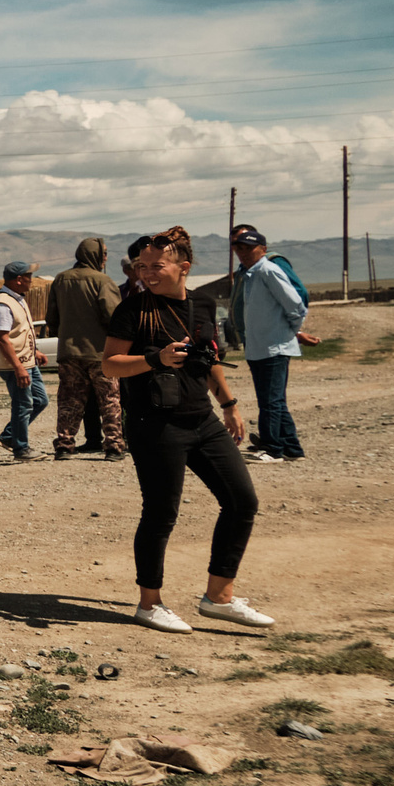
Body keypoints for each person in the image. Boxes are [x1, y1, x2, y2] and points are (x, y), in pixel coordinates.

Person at [103, 226, 271, 633]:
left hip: (202, 419)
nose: (146, 273)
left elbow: (208, 357)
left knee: (241, 501)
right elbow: (109, 364)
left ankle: (219, 596)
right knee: (161, 514)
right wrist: (155, 358)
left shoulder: (203, 304)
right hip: (154, 424)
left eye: (156, 266)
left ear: (183, 267)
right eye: (141, 267)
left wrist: (228, 404)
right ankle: (150, 604)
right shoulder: (133, 309)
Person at [229, 224, 310, 464]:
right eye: (239, 248)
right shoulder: (249, 274)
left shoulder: (268, 270)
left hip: (274, 346)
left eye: (249, 248)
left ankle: (273, 449)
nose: (243, 253)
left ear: (262, 249)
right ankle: (292, 448)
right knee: (274, 399)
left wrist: (289, 331)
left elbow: (296, 305)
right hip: (258, 347)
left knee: (270, 401)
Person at [49, 238, 125, 463]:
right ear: (96, 255)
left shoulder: (60, 280)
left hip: (69, 352)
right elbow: (113, 317)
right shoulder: (102, 281)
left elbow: (52, 318)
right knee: (109, 399)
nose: (106, 259)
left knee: (69, 400)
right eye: (105, 254)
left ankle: (64, 445)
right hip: (100, 353)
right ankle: (113, 447)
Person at [0, 260, 50, 462]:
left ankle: (9, 436)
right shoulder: (1, 304)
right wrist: (18, 368)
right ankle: (21, 449)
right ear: (18, 279)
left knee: (40, 400)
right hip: (16, 365)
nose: (31, 281)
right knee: (23, 405)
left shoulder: (18, 299)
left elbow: (22, 332)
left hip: (28, 361)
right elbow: (2, 338)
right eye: (29, 277)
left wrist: (36, 351)